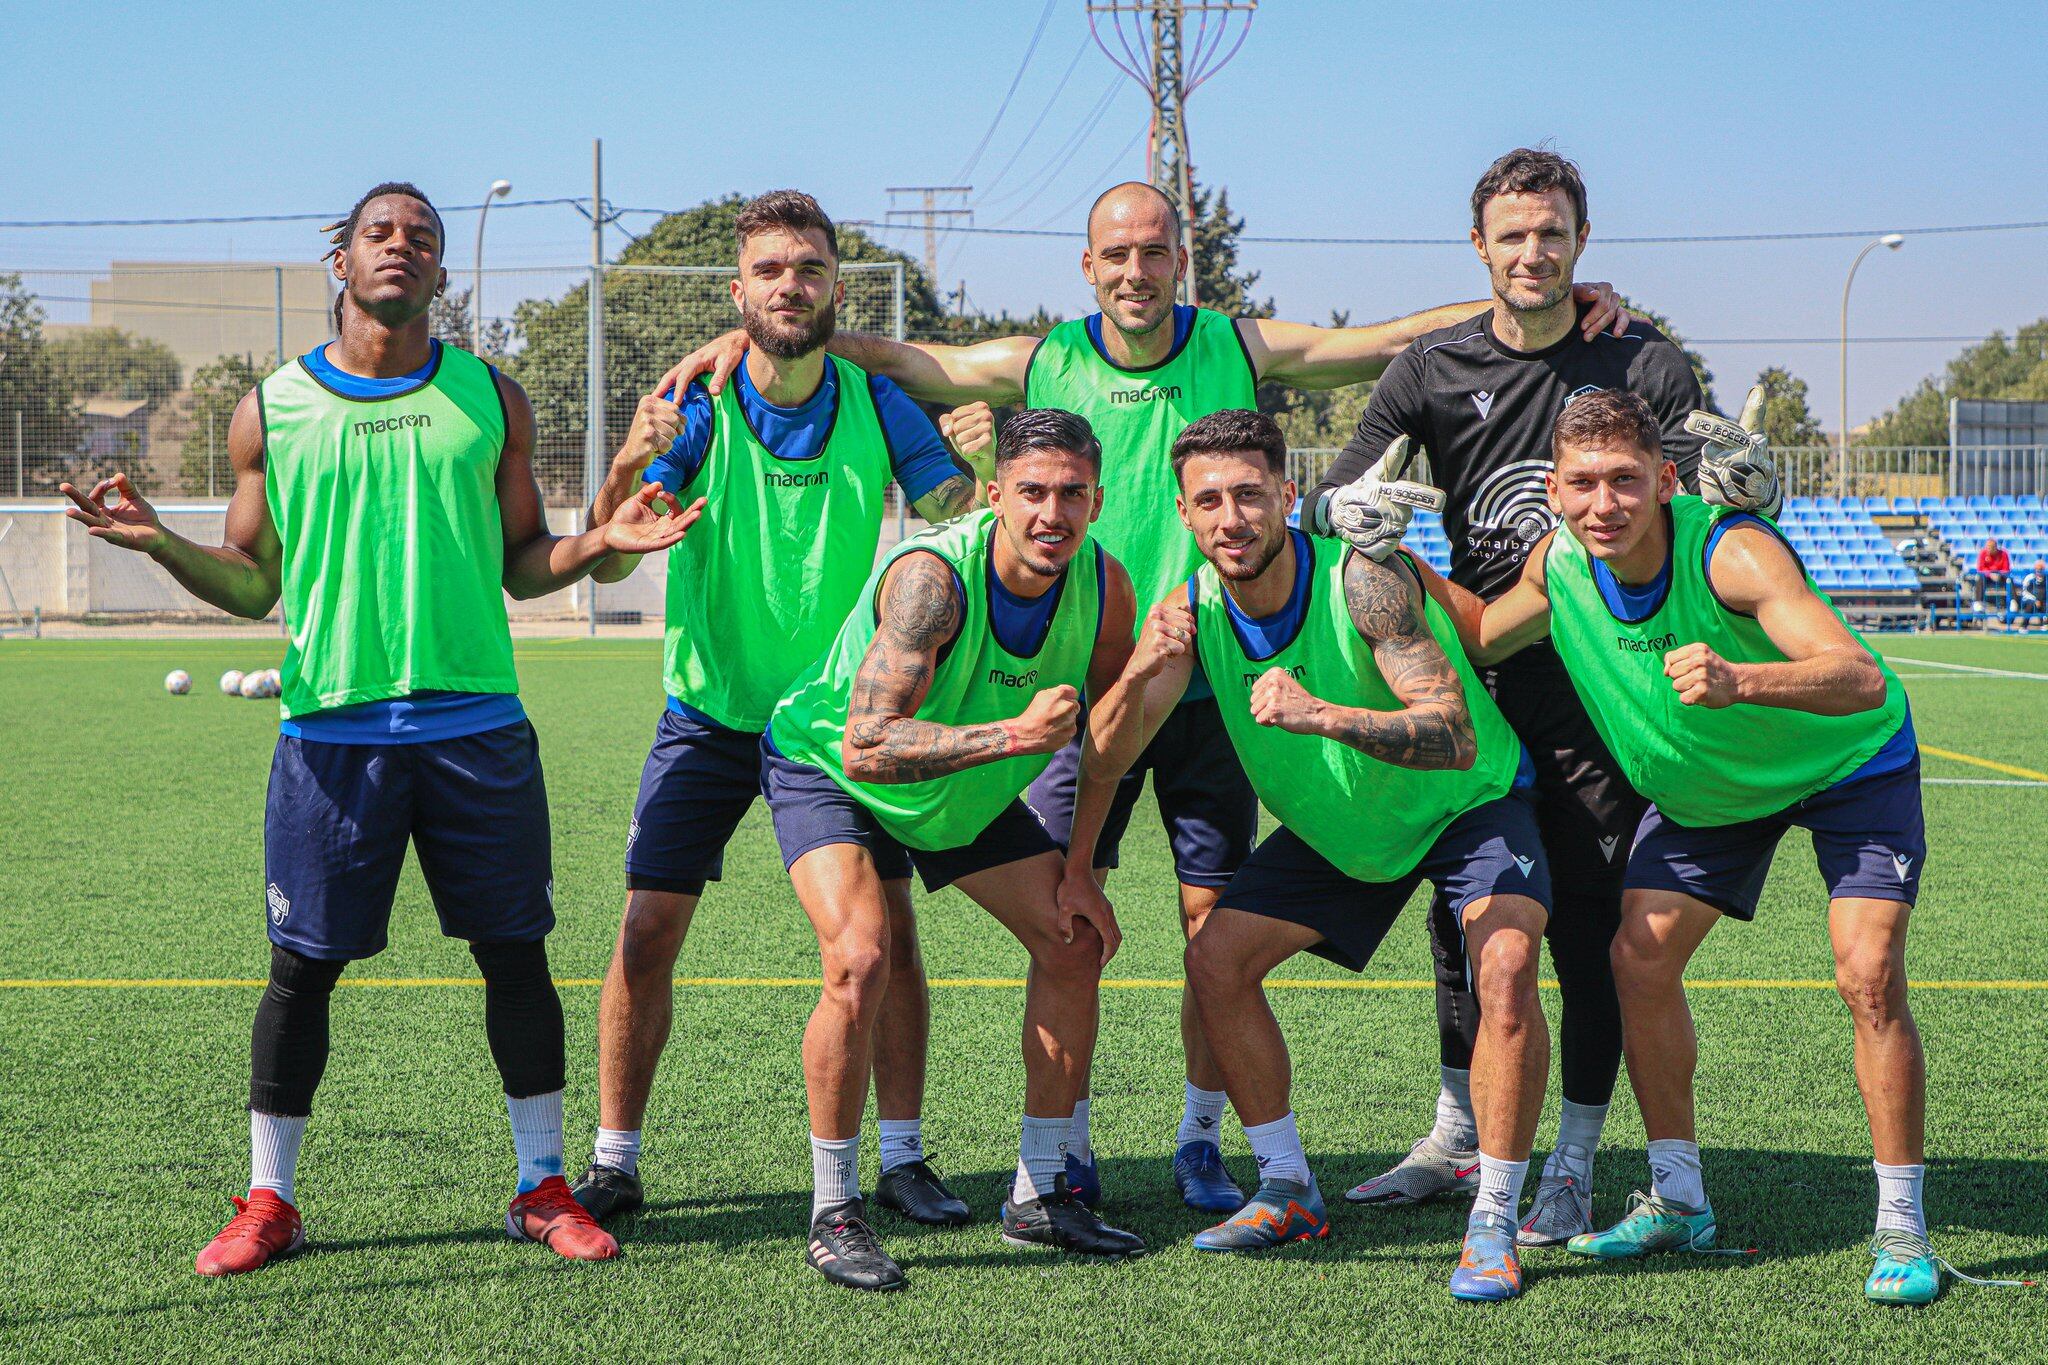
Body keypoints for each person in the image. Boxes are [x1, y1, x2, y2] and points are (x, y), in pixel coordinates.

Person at [654, 179, 1630, 1213]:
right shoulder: (1040, 357)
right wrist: (735, 347)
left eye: (1153, 252)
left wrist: (1543, 307)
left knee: (1209, 921)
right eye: (1114, 255)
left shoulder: (1236, 342)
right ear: (1088, 266)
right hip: (1095, 687)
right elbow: (885, 355)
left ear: (1178, 261)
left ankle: (1199, 1141)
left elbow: (1380, 340)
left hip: (1215, 682)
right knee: (1073, 915)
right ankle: (1060, 1157)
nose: (1134, 270)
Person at [61, 182, 701, 1275]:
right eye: (380, 234)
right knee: (300, 970)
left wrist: (599, 544)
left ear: (441, 275)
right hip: (332, 736)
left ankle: (541, 1186)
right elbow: (256, 582)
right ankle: (270, 1202)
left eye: (422, 238)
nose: (401, 247)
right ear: (343, 263)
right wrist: (163, 542)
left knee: (515, 959)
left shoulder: (488, 396)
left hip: (476, 727)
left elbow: (520, 560)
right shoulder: (272, 406)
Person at [1300, 148, 1780, 1245]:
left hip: (1602, 693)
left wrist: (1760, 493)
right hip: (1475, 679)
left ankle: (1568, 1157)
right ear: (1480, 247)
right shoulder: (1429, 367)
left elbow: (1713, 503)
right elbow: (1337, 491)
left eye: (1550, 231)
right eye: (1510, 234)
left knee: (1583, 927)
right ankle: (1457, 1129)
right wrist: (1356, 519)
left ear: (1580, 239)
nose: (1531, 250)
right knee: (1464, 914)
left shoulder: (1641, 363)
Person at [1416, 389, 1974, 1306]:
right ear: (1553, 490)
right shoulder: (1559, 564)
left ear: (1666, 480)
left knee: (1868, 971)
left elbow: (1860, 678)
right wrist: (1384, 554)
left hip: (1846, 765)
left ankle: (1902, 1224)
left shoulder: (1730, 549)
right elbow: (1481, 629)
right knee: (1638, 957)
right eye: (1584, 483)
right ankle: (1679, 1198)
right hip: (1712, 793)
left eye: (1626, 482)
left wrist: (1738, 675)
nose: (1605, 504)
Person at [572, 190, 988, 1230]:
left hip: (836, 721)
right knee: (646, 931)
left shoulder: (875, 401)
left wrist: (978, 461)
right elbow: (621, 526)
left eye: (806, 268)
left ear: (834, 285)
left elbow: (953, 511)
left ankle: (901, 1158)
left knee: (883, 936)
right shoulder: (697, 403)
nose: (789, 285)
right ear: (738, 290)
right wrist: (633, 460)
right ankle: (614, 1161)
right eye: (769, 270)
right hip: (709, 714)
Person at [1069, 409, 1551, 1301]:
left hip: (1463, 803)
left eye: (1251, 494)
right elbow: (1107, 754)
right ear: (1182, 512)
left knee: (1509, 965)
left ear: (1289, 496)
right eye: (1209, 500)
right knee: (1215, 959)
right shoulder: (1189, 609)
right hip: (1343, 824)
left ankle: (1492, 1216)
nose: (1232, 517)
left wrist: (1318, 713)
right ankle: (1288, 1184)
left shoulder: (1365, 578)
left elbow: (1448, 732)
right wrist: (1137, 677)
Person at [762, 409, 1146, 1291]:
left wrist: (1080, 866)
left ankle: (1040, 1192)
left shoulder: (1105, 586)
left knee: (1074, 939)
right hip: (836, 770)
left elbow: (1110, 739)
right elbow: (867, 743)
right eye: (1034, 492)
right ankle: (834, 1208)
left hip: (960, 783)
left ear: (1099, 497)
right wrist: (1014, 735)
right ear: (999, 493)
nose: (1054, 512)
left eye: (1073, 493)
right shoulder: (934, 580)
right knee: (860, 958)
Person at [1975, 536, 2010, 610]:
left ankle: (2013, 602)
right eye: (1987, 547)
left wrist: (1998, 574)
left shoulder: (2003, 554)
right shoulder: (1983, 554)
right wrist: (1990, 574)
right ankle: (1978, 602)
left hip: (2000, 577)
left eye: (1990, 547)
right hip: (1987, 577)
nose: (1988, 549)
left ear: (1995, 547)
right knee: (1980, 578)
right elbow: (1980, 568)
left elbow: (2006, 569)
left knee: (2010, 580)